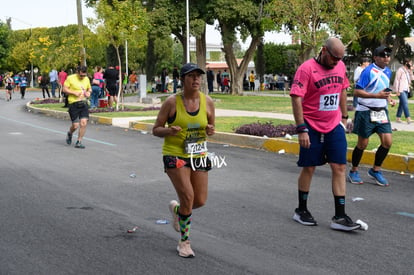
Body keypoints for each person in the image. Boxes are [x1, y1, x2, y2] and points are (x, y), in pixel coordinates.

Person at [290, 37, 360, 231]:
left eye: (339, 59)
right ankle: (301, 210)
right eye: (333, 58)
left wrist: (344, 116)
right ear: (323, 51)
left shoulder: (340, 67)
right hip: (311, 125)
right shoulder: (306, 69)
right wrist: (301, 128)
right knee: (309, 167)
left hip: (333, 124)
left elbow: (342, 89)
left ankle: (339, 216)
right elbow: (296, 98)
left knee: (339, 167)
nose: (336, 62)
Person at [152, 63, 215, 258]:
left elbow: (211, 126)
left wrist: (210, 131)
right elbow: (156, 129)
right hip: (175, 153)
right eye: (191, 76)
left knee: (200, 200)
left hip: (198, 154)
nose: (196, 80)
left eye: (198, 76)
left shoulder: (208, 102)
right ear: (182, 79)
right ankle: (184, 242)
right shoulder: (172, 102)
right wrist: (169, 130)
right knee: (188, 196)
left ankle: (178, 211)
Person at [348, 46, 395, 187]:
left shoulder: (387, 71)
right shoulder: (367, 72)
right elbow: (357, 92)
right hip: (366, 111)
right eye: (382, 55)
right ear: (375, 57)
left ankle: (375, 170)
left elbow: (382, 90)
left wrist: (388, 98)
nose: (386, 58)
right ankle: (354, 171)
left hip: (381, 111)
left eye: (388, 55)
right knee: (363, 144)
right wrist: (376, 96)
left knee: (387, 142)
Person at [64, 66, 91, 149]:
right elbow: (64, 89)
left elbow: (89, 89)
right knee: (75, 125)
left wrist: (88, 93)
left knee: (83, 123)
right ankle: (70, 133)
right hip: (73, 103)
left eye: (84, 75)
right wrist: (74, 92)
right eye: (81, 75)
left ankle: (79, 141)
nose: (83, 77)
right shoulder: (70, 78)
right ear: (77, 72)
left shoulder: (86, 79)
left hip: (83, 103)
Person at [393, 58, 413, 124]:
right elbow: (397, 80)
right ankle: (408, 118)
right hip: (401, 90)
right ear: (406, 63)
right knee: (405, 103)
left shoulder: (408, 70)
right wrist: (397, 91)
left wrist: (411, 71)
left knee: (401, 104)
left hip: (406, 89)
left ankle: (398, 118)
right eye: (410, 63)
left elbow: (412, 79)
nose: (411, 64)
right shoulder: (400, 70)